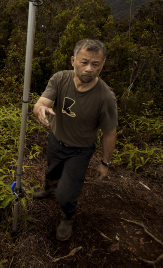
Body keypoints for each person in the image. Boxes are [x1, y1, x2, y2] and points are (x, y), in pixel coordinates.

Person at [32, 39, 117, 241]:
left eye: (95, 64)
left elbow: (110, 133)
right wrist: (40, 108)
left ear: (102, 65)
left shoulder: (106, 97)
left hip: (80, 151)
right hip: (55, 140)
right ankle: (49, 189)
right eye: (84, 62)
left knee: (67, 193)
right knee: (51, 171)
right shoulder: (60, 79)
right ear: (73, 60)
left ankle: (67, 216)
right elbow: (42, 102)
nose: (89, 69)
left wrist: (105, 163)